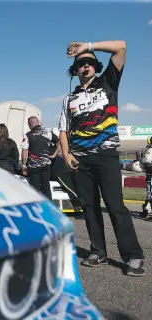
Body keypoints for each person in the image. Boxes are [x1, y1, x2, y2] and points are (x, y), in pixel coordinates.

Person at [59, 40, 145, 275]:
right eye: (80, 64)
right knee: (89, 207)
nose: (84, 66)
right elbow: (63, 130)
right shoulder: (69, 99)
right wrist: (66, 154)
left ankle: (133, 257)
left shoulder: (108, 82)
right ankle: (99, 251)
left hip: (106, 156)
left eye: (88, 62)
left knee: (116, 207)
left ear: (95, 65)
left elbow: (122, 47)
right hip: (80, 160)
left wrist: (87, 46)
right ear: (74, 70)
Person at [20, 116, 58, 200]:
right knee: (46, 188)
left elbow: (25, 151)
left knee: (34, 189)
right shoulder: (47, 133)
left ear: (30, 124)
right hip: (46, 165)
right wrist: (54, 154)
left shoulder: (28, 135)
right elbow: (59, 142)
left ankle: (36, 208)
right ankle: (49, 208)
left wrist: (23, 165)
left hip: (34, 166)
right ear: (38, 122)